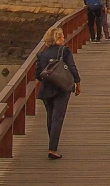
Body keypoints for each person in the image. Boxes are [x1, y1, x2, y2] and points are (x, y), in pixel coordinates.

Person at [34, 26, 81, 159]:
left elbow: (37, 74)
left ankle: (52, 144)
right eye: (62, 36)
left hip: (46, 89)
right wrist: (77, 82)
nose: (64, 38)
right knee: (58, 118)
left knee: (50, 116)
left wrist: (48, 79)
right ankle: (52, 149)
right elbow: (72, 67)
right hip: (62, 89)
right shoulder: (64, 51)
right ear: (59, 38)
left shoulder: (42, 54)